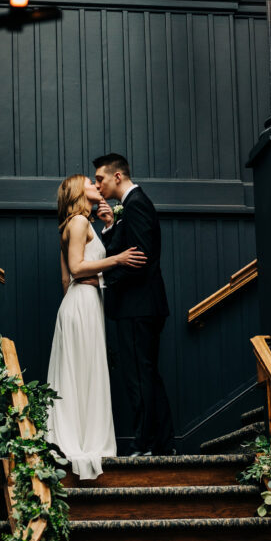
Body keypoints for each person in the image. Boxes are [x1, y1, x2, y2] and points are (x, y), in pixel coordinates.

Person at [47, 174, 147, 480]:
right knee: (85, 370)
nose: (95, 183)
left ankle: (78, 435)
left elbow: (67, 279)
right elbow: (77, 268)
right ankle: (83, 439)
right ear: (79, 191)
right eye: (89, 182)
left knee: (80, 371)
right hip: (84, 304)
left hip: (79, 303)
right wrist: (117, 259)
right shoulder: (77, 222)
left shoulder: (74, 223)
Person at [93, 153, 175, 456]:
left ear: (117, 177)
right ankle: (163, 444)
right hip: (140, 306)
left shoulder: (137, 203)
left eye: (100, 178)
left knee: (139, 378)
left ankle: (145, 446)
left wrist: (105, 279)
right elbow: (127, 249)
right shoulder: (129, 206)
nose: (96, 184)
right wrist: (112, 225)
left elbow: (141, 257)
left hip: (137, 306)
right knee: (147, 374)